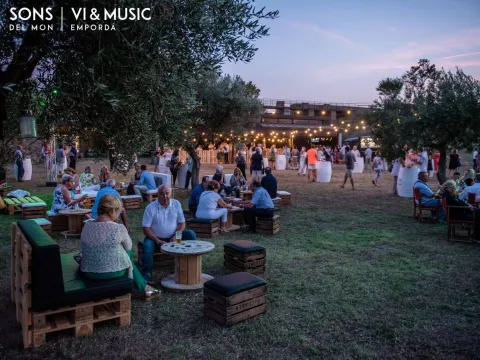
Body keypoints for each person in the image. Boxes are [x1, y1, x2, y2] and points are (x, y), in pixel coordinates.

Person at [81, 194, 160, 298]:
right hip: (113, 272)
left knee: (117, 249)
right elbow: (129, 248)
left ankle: (143, 286)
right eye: (117, 211)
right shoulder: (118, 228)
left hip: (88, 271)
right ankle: (142, 286)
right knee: (126, 252)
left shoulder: (86, 225)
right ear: (112, 211)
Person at [141, 185, 196, 282]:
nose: (165, 196)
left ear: (171, 194)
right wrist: (158, 241)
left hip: (173, 236)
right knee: (147, 247)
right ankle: (147, 274)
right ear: (157, 195)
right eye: (162, 194)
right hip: (155, 238)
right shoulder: (150, 207)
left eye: (167, 193)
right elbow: (146, 228)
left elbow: (182, 223)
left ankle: (191, 264)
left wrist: (176, 236)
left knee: (190, 234)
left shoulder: (176, 204)